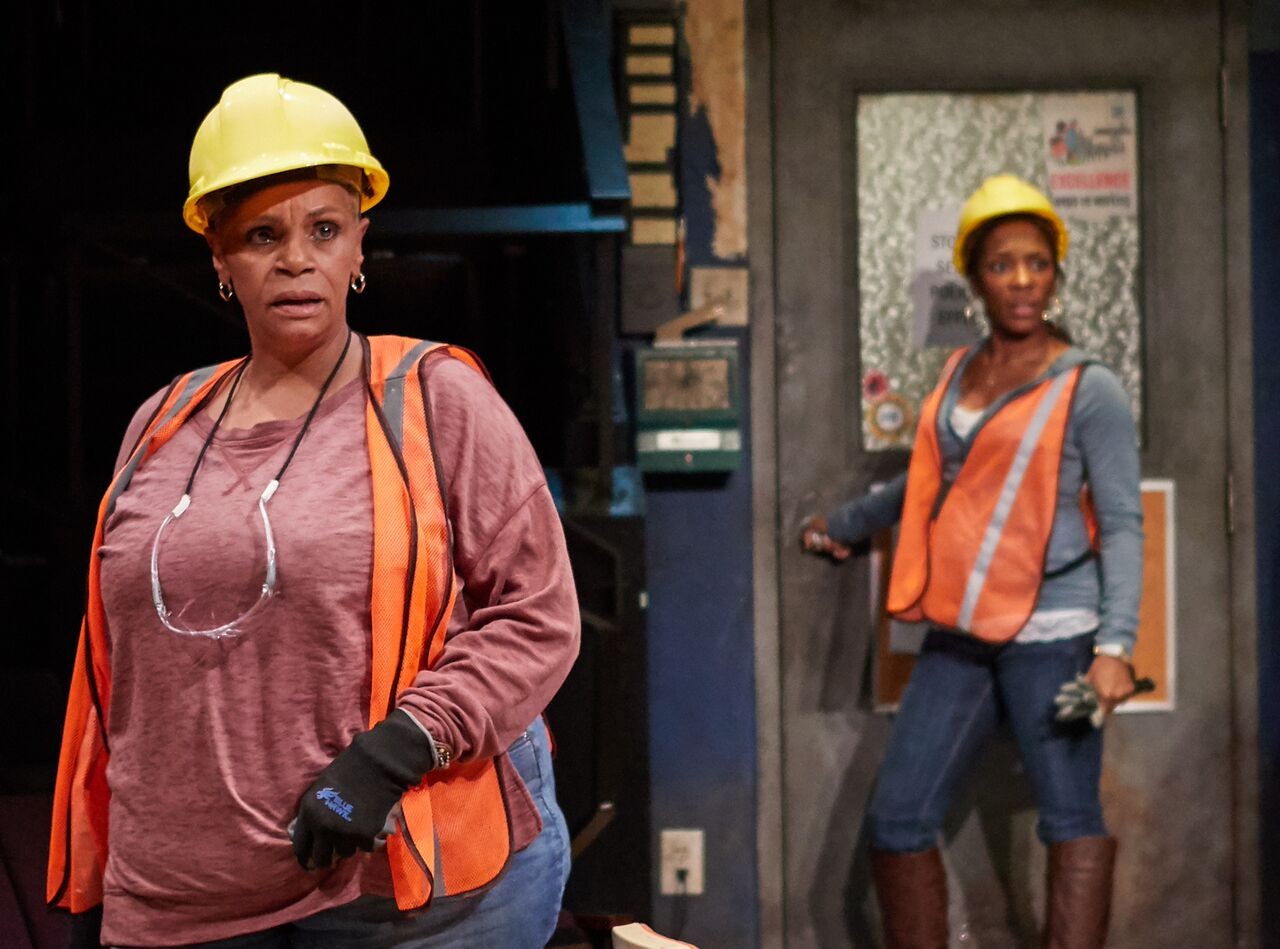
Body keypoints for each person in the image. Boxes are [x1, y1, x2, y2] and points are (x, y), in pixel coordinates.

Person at [47, 73, 580, 948]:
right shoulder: (162, 420)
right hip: (184, 896)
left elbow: (538, 613)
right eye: (263, 235)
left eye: (323, 230)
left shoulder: (432, 397)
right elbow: (119, 673)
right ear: (220, 256)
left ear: (360, 248)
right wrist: (104, 868)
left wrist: (392, 753)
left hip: (398, 887)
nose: (297, 258)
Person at [802, 174, 1143, 948]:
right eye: (1002, 264)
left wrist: (1116, 648)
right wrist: (846, 526)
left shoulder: (1091, 389)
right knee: (897, 818)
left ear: (1055, 271)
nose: (1022, 280)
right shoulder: (959, 373)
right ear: (974, 276)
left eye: (1037, 262)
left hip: (1055, 633)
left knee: (1069, 820)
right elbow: (927, 479)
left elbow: (1123, 522)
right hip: (960, 628)